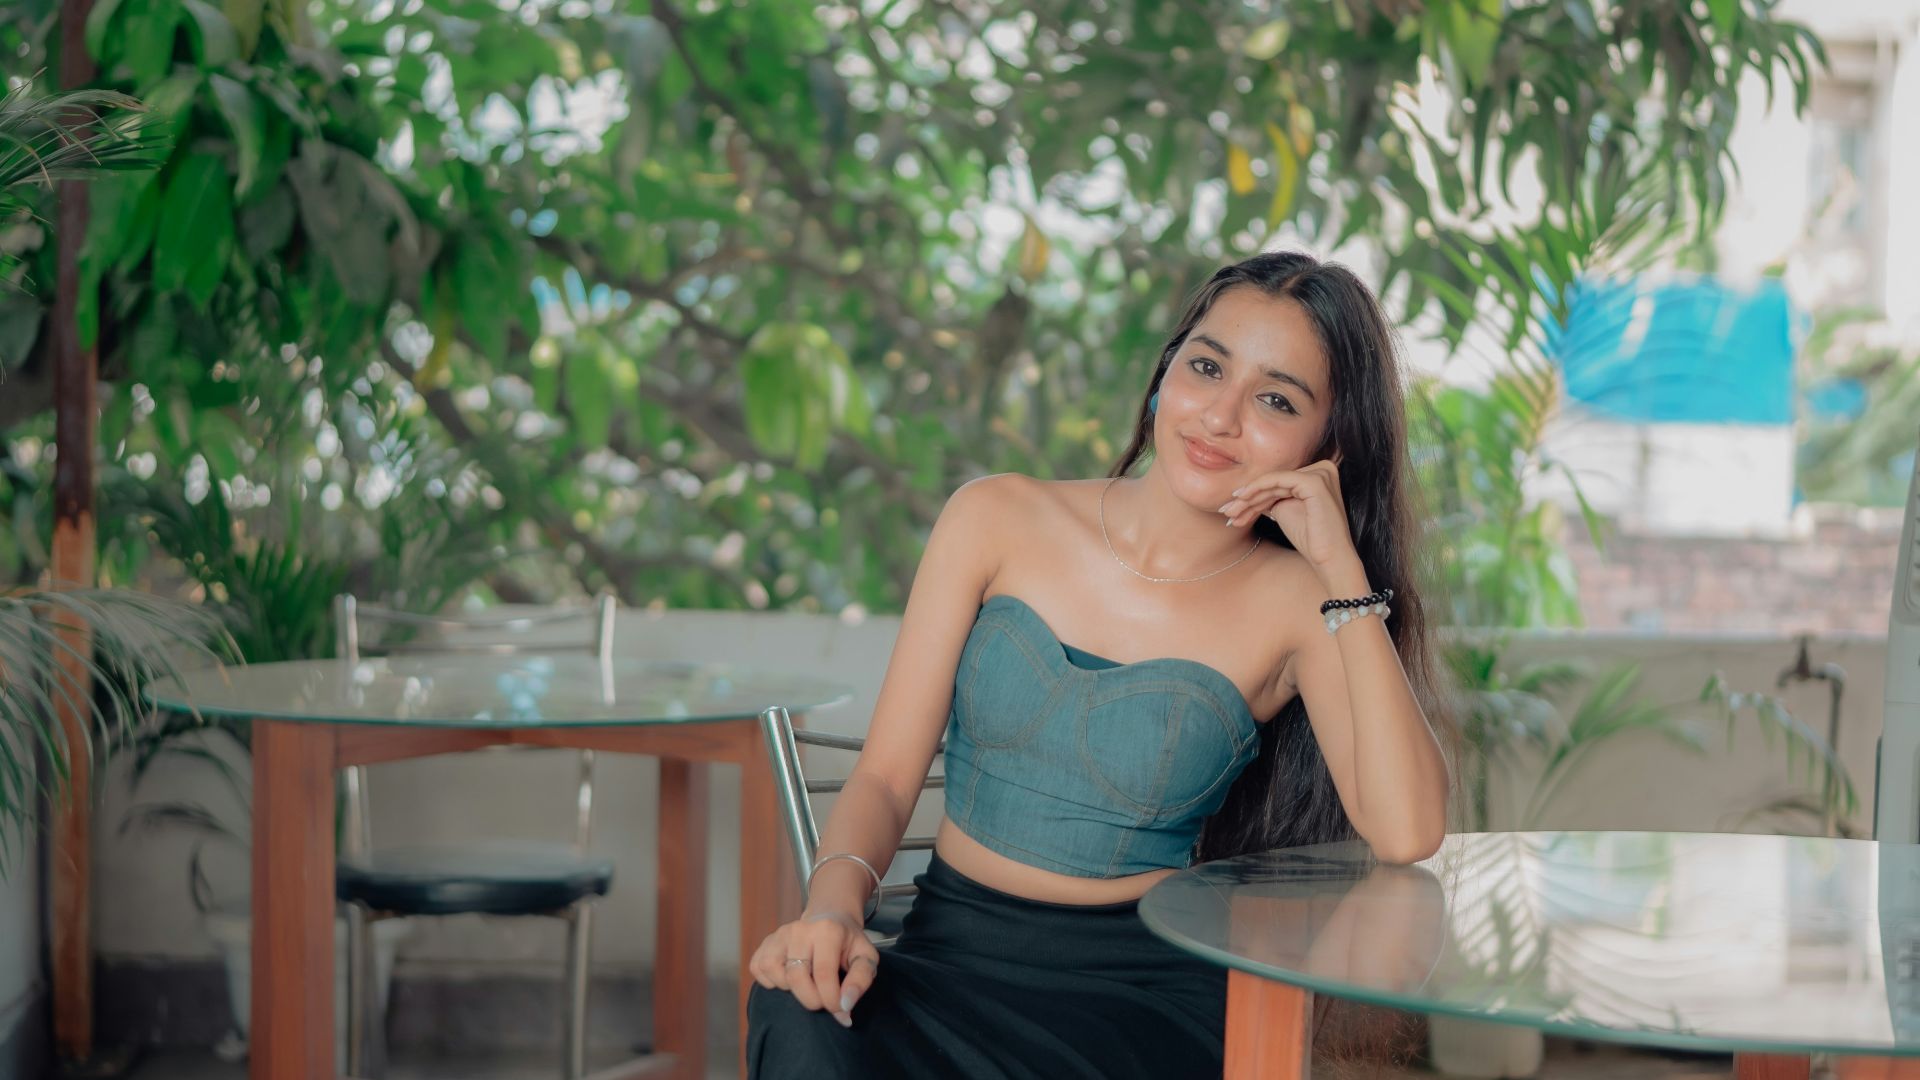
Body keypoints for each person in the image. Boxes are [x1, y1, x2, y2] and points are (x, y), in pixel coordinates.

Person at [746, 250, 1458, 1079]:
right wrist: (833, 912)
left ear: (1327, 445)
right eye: (1206, 367)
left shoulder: (1302, 602)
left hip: (1138, 1005)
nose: (1220, 416)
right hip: (942, 964)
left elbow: (1408, 831)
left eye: (1276, 399)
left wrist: (1340, 570)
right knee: (795, 1009)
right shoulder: (994, 517)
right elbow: (883, 778)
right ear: (1165, 376)